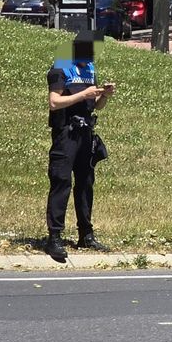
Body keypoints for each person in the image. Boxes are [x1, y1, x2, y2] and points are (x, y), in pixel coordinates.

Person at [45, 33, 115, 261]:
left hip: (86, 133)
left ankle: (86, 234)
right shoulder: (61, 66)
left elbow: (95, 106)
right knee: (62, 182)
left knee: (85, 184)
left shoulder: (90, 68)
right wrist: (83, 94)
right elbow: (54, 102)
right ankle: (54, 237)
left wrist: (104, 96)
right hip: (66, 133)